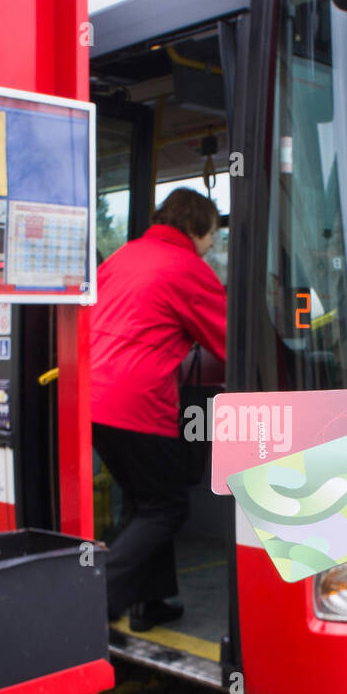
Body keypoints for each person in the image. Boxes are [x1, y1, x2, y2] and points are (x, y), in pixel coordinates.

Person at [90, 188, 226, 630]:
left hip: (91, 398)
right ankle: (96, 602)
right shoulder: (187, 267)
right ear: (198, 227)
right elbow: (231, 340)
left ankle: (149, 604)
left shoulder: (124, 255)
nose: (211, 247)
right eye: (213, 237)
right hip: (137, 404)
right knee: (167, 507)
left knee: (144, 500)